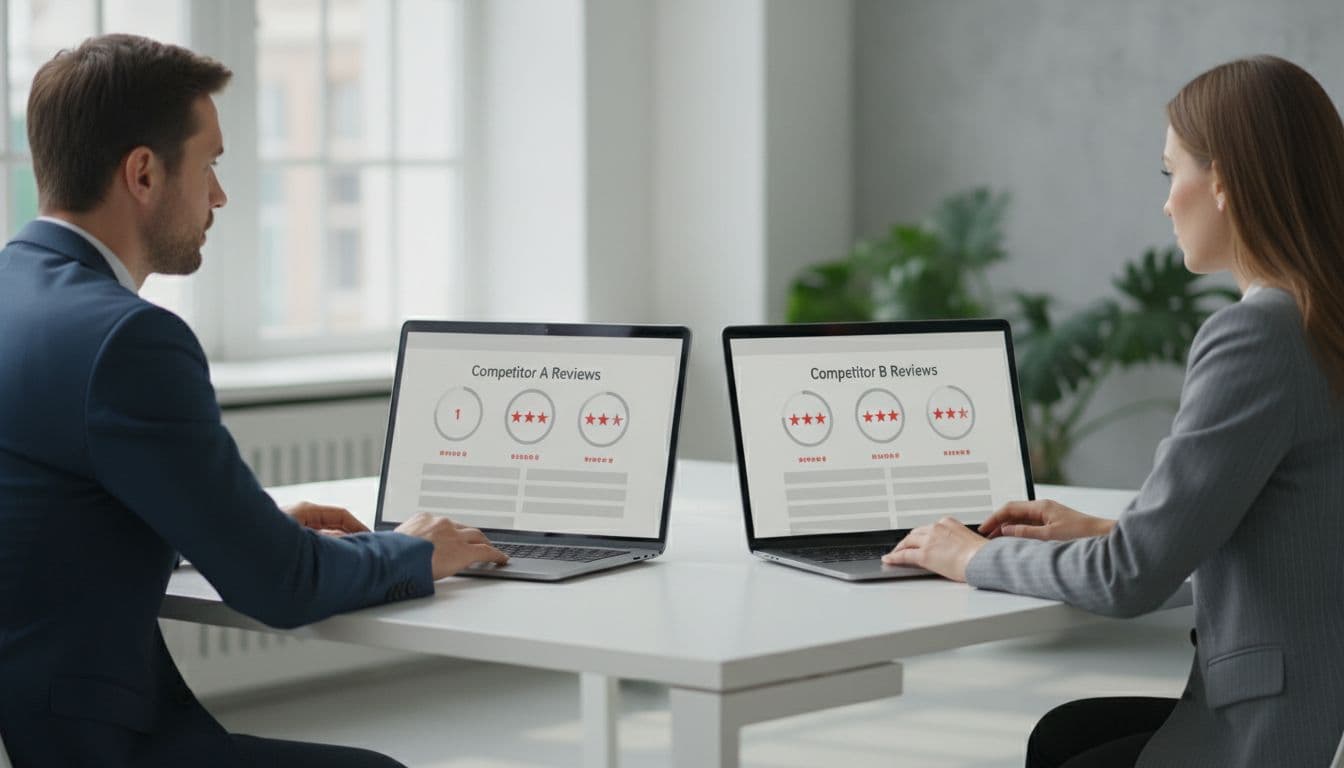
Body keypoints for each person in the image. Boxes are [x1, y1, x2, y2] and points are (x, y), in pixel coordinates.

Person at [0, 34, 507, 767]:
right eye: (209, 166)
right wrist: (414, 551)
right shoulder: (128, 341)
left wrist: (238, 525)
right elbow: (282, 586)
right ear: (143, 173)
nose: (218, 195)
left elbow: (50, 509)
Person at [883, 55, 1344, 767]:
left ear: (1222, 181)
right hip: (1313, 702)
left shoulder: (1257, 335)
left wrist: (973, 556)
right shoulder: (1322, 320)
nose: (1166, 203)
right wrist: (1107, 528)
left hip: (1263, 727)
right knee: (1066, 735)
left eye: (1171, 174)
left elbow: (1126, 580)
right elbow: (1292, 533)